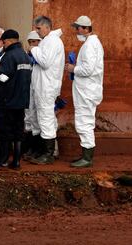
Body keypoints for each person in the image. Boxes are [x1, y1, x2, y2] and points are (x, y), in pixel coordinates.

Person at [0, 29, 31, 170]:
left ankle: (2, 161)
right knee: (18, 132)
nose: (3, 44)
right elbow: (15, 73)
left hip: (7, 101)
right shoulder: (24, 55)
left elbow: (2, 77)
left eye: (3, 42)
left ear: (9, 41)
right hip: (21, 101)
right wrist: (2, 68)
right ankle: (16, 161)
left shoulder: (9, 55)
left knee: (4, 131)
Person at [64, 16, 104, 167]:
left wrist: (72, 68)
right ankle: (85, 156)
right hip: (88, 89)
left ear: (85, 29)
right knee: (84, 121)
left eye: (78, 28)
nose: (76, 31)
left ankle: (87, 158)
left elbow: (88, 69)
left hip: (87, 91)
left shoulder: (90, 45)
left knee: (84, 122)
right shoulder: (92, 43)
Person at [27, 16, 65, 165]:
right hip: (41, 86)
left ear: (47, 27)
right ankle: (41, 150)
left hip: (47, 87)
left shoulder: (53, 41)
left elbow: (45, 62)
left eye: (39, 28)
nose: (37, 31)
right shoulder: (47, 41)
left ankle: (48, 154)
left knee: (46, 118)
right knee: (38, 118)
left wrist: (33, 49)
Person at [23, 30, 42, 160]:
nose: (32, 44)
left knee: (40, 120)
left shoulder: (43, 56)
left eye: (34, 42)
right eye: (30, 42)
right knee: (29, 118)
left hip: (42, 91)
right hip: (29, 90)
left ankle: (41, 149)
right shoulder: (27, 56)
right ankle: (31, 147)